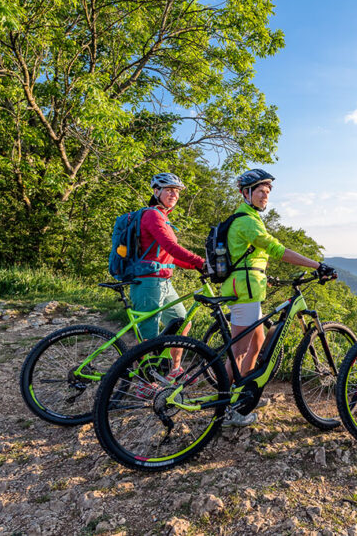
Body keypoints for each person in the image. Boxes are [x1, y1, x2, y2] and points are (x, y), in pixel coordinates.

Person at [220, 168, 334, 427]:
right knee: (239, 352)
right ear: (246, 193)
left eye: (268, 191)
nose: (265, 195)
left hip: (250, 287)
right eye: (260, 190)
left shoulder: (249, 217)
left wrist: (263, 275)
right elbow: (275, 249)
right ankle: (227, 411)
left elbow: (250, 257)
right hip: (244, 291)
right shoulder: (246, 220)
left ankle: (245, 395)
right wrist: (317, 265)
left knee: (258, 341)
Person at [131, 173, 206, 383]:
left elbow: (169, 256)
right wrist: (201, 262)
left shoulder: (163, 217)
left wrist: (196, 266)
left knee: (182, 322)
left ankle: (174, 369)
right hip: (147, 282)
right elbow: (172, 247)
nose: (174, 194)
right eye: (169, 190)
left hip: (164, 282)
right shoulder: (152, 215)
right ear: (156, 192)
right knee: (148, 337)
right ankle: (144, 383)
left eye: (177, 191)